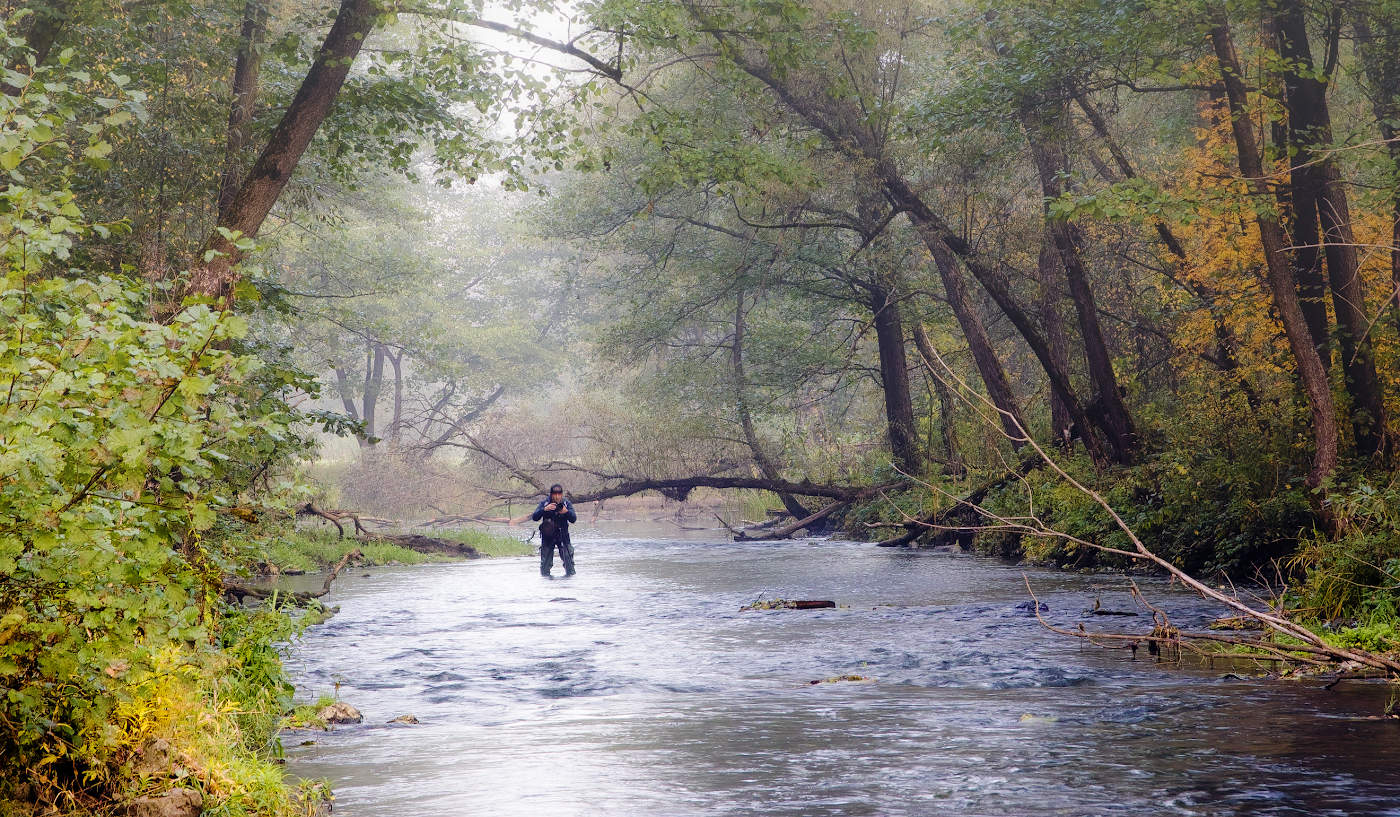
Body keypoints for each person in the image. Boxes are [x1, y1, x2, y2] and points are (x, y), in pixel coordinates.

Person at [532, 484, 577, 577]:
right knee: (545, 566)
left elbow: (573, 519)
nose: (557, 497)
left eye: (559, 494)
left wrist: (566, 512)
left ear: (562, 494)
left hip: (563, 536)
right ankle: (546, 582)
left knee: (569, 564)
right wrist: (544, 509)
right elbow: (535, 517)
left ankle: (570, 581)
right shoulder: (545, 503)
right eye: (554, 494)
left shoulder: (566, 503)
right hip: (548, 537)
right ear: (551, 494)